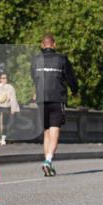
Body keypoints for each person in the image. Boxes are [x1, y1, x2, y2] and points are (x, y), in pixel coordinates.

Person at [31, 34, 77, 176]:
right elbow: (70, 78)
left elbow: (34, 76)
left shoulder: (36, 59)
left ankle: (48, 163)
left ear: (42, 45)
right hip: (57, 98)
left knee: (46, 132)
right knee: (54, 130)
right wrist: (75, 90)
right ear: (54, 45)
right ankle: (48, 161)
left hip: (41, 99)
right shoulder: (62, 59)